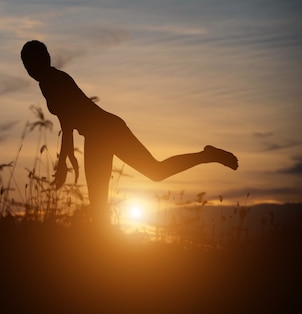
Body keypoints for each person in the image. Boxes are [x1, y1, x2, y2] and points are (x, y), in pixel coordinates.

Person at [20, 40, 238, 226]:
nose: (29, 69)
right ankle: (103, 251)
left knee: (154, 173)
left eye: (31, 63)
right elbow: (65, 119)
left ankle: (207, 155)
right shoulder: (47, 82)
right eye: (27, 65)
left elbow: (67, 119)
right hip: (97, 136)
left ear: (43, 60)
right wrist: (67, 156)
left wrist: (66, 157)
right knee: (101, 203)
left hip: (106, 131)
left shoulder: (55, 80)